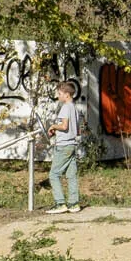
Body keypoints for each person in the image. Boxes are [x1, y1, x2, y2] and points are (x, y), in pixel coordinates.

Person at [43, 74, 91, 210]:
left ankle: (60, 203)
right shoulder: (74, 108)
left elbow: (64, 126)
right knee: (71, 175)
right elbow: (75, 130)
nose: (58, 96)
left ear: (67, 94)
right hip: (72, 144)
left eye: (59, 93)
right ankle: (74, 203)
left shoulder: (65, 107)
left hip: (63, 146)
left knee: (53, 174)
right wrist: (58, 130)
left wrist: (53, 126)